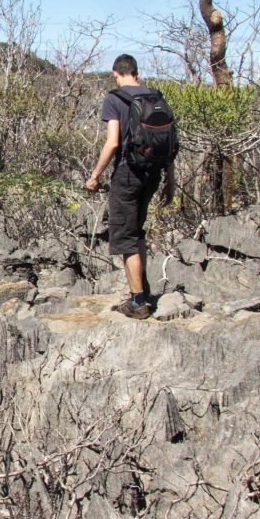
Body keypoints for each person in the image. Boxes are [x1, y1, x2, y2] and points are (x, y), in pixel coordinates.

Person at [86, 54, 165, 320]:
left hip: (127, 174)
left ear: (115, 73)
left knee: (126, 239)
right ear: (136, 72)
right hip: (152, 175)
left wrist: (95, 175)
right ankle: (142, 291)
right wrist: (171, 181)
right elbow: (168, 143)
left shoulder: (115, 98)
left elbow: (112, 143)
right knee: (137, 233)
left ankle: (137, 302)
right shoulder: (155, 97)